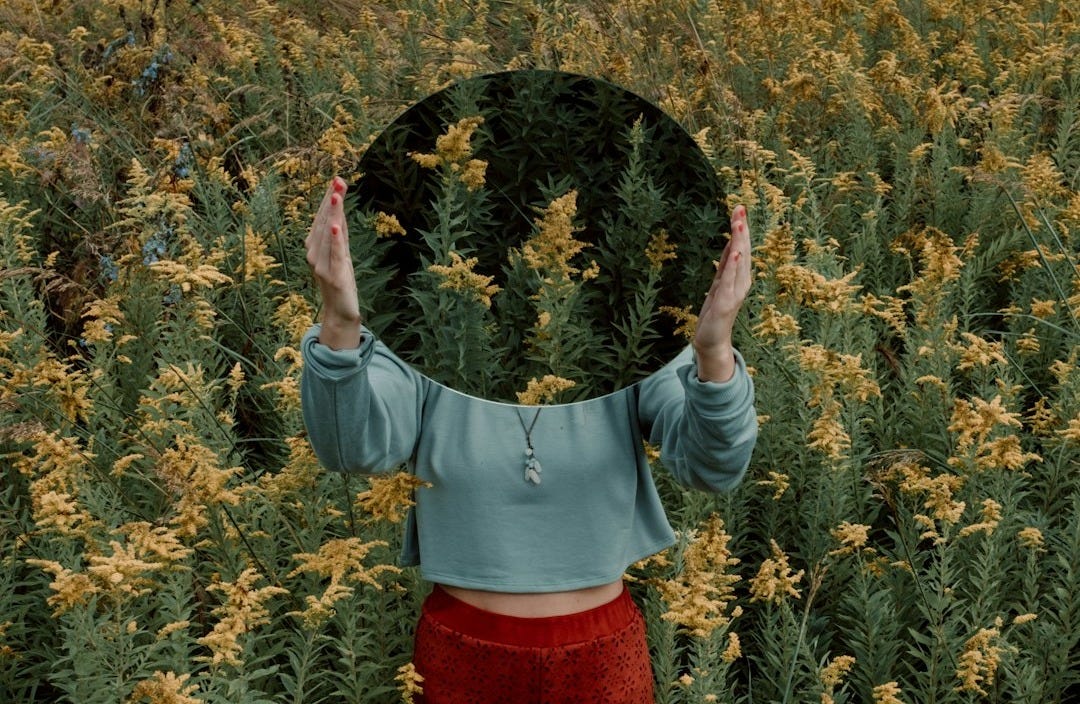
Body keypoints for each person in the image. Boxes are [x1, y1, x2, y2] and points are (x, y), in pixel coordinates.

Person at [301, 175, 757, 703]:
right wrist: (337, 322)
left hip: (602, 655)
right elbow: (349, 449)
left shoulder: (625, 347)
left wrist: (714, 350)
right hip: (463, 652)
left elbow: (712, 467)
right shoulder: (428, 340)